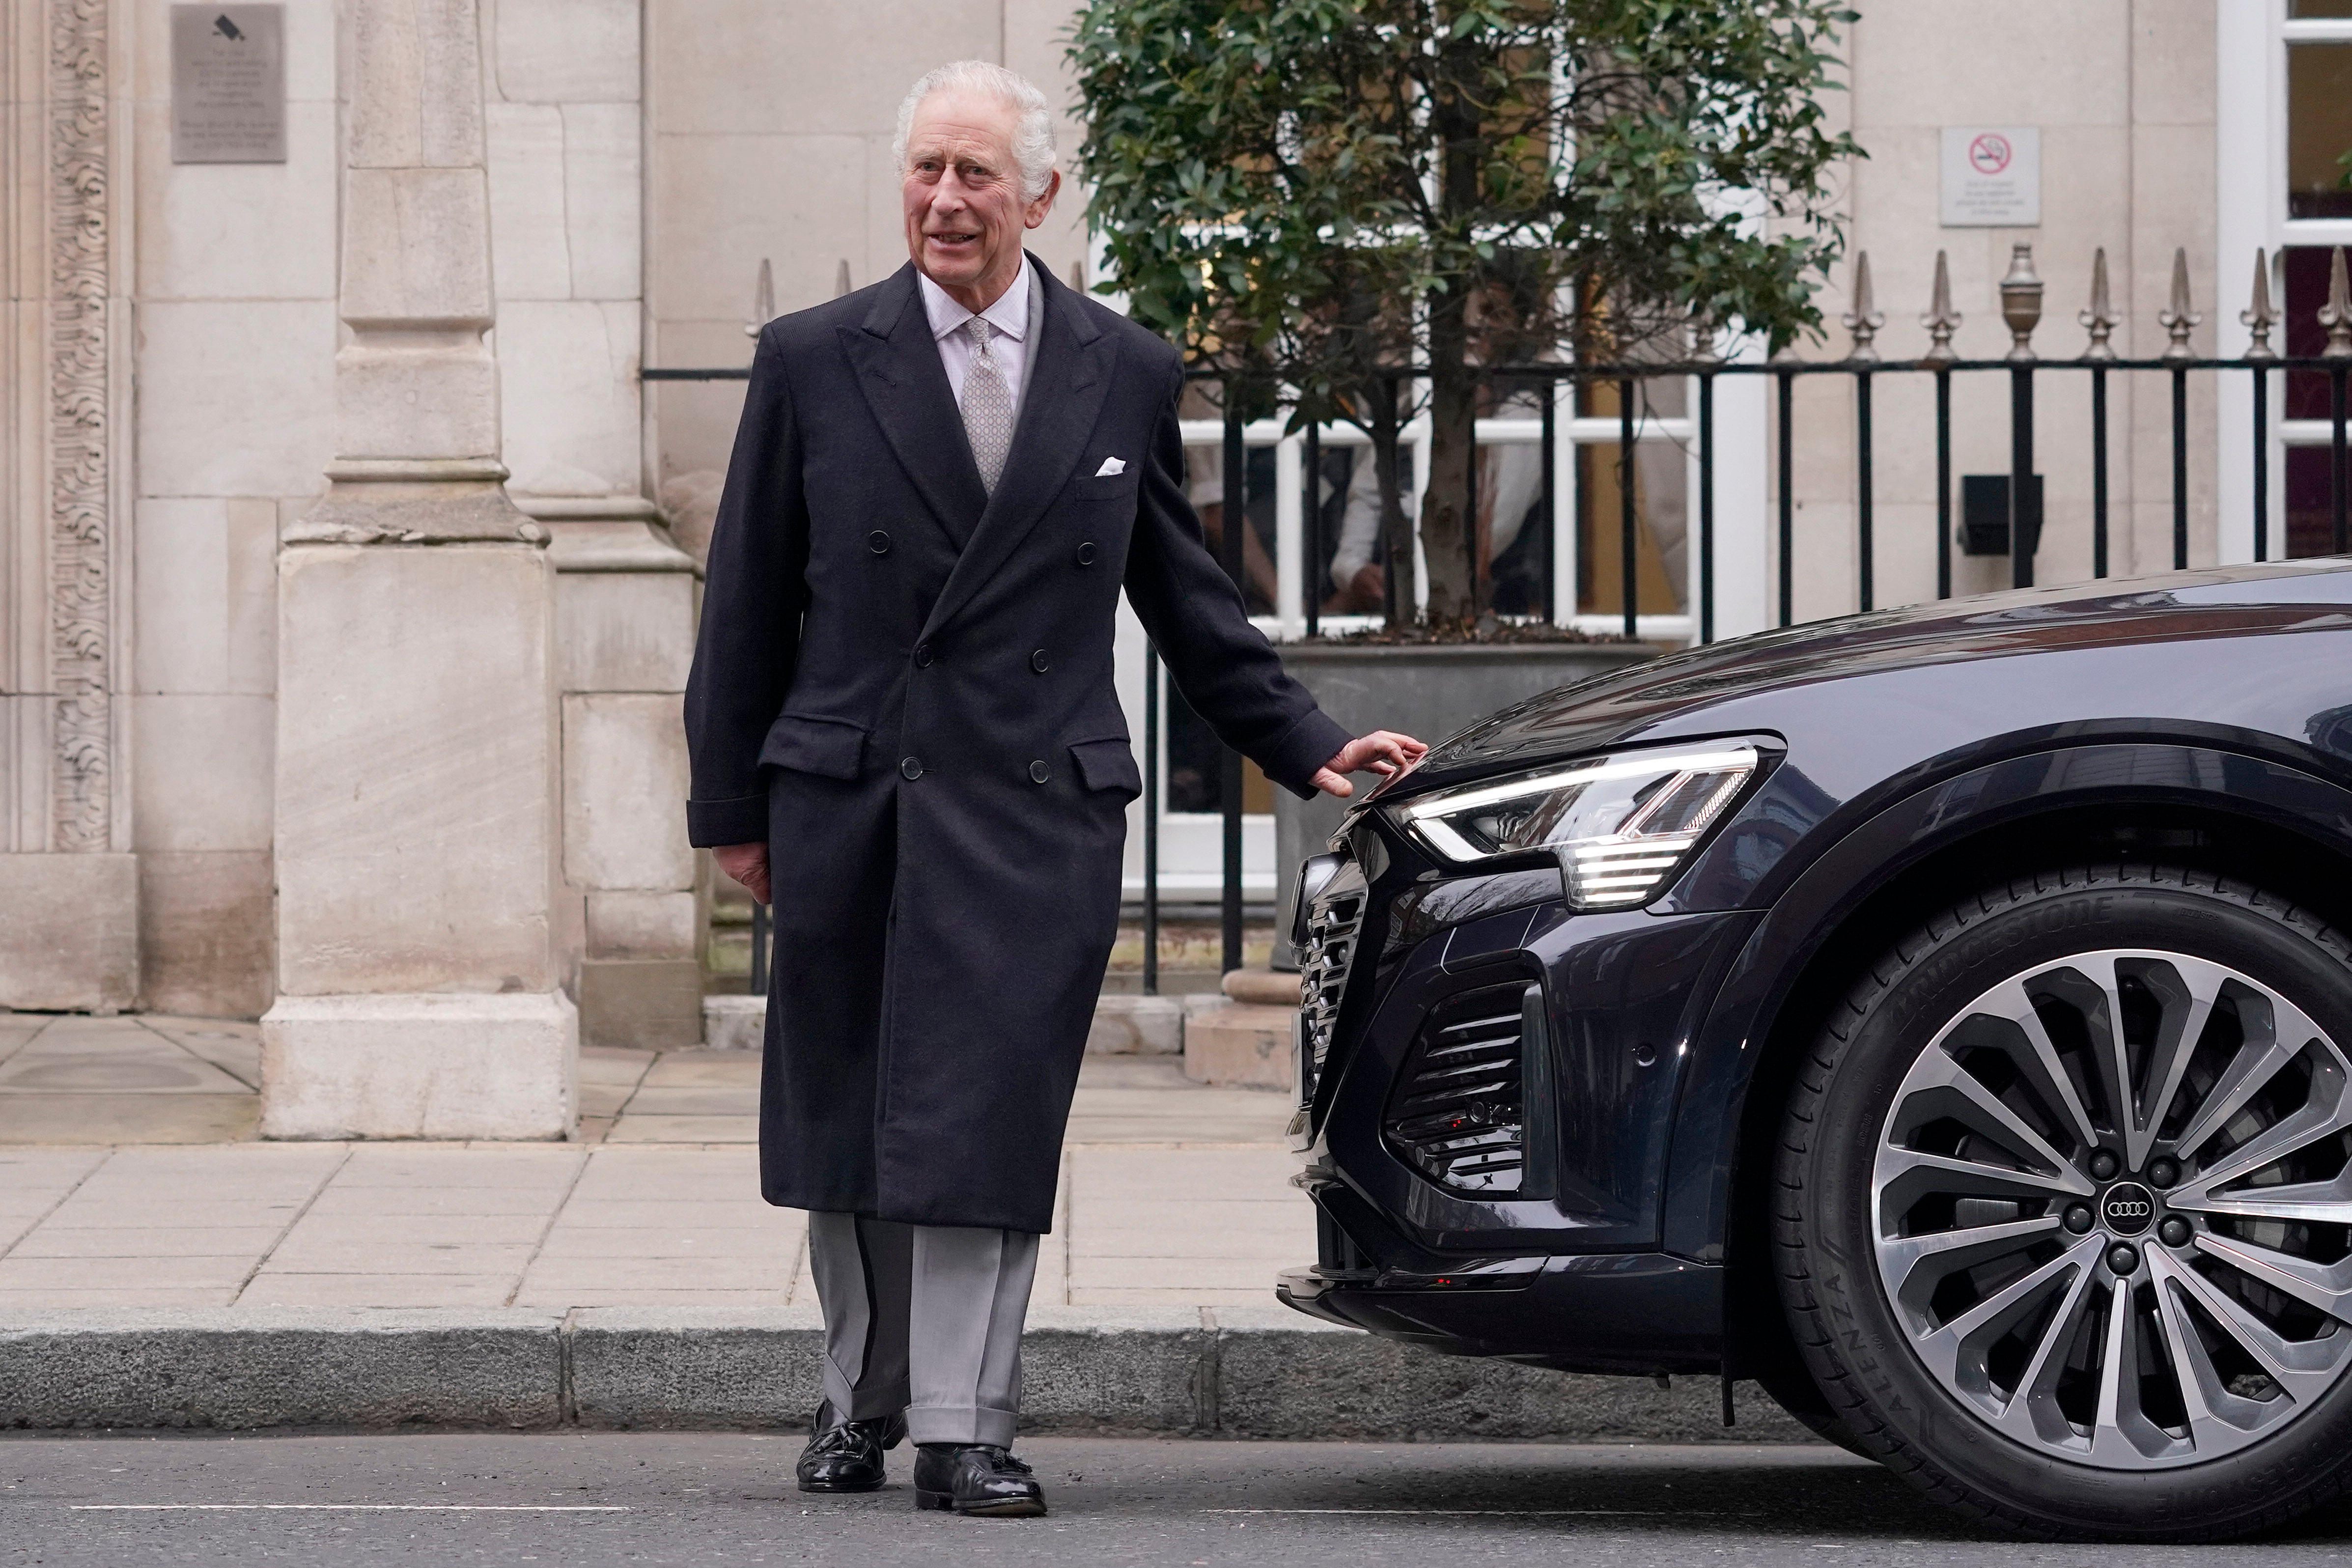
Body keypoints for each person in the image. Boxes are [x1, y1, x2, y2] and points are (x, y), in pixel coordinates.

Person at [682, 59, 1425, 1519]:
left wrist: (1308, 744)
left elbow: (1183, 589)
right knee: (848, 1115)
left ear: (1038, 196)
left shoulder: (1121, 365)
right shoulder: (815, 356)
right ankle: (862, 1397)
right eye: (924, 173)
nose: (944, 202)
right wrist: (730, 809)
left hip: (1029, 803)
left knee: (983, 1111)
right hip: (850, 791)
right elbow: (748, 597)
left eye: (973, 176)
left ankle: (967, 1426)